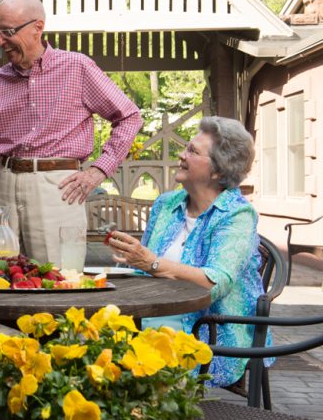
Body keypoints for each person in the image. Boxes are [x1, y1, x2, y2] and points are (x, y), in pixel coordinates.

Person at [0, 0, 142, 265]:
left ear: (38, 28)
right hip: (6, 185)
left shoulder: (77, 67)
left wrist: (98, 170)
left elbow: (129, 116)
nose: (0, 41)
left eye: (8, 31)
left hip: (58, 187)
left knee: (57, 277)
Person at [106, 116, 267, 387]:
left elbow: (215, 283)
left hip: (206, 331)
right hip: (149, 315)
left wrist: (152, 263)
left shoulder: (237, 214)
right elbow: (140, 270)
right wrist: (133, 260)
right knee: (87, 346)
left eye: (192, 151)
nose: (181, 155)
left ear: (217, 170)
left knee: (120, 366)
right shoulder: (166, 204)